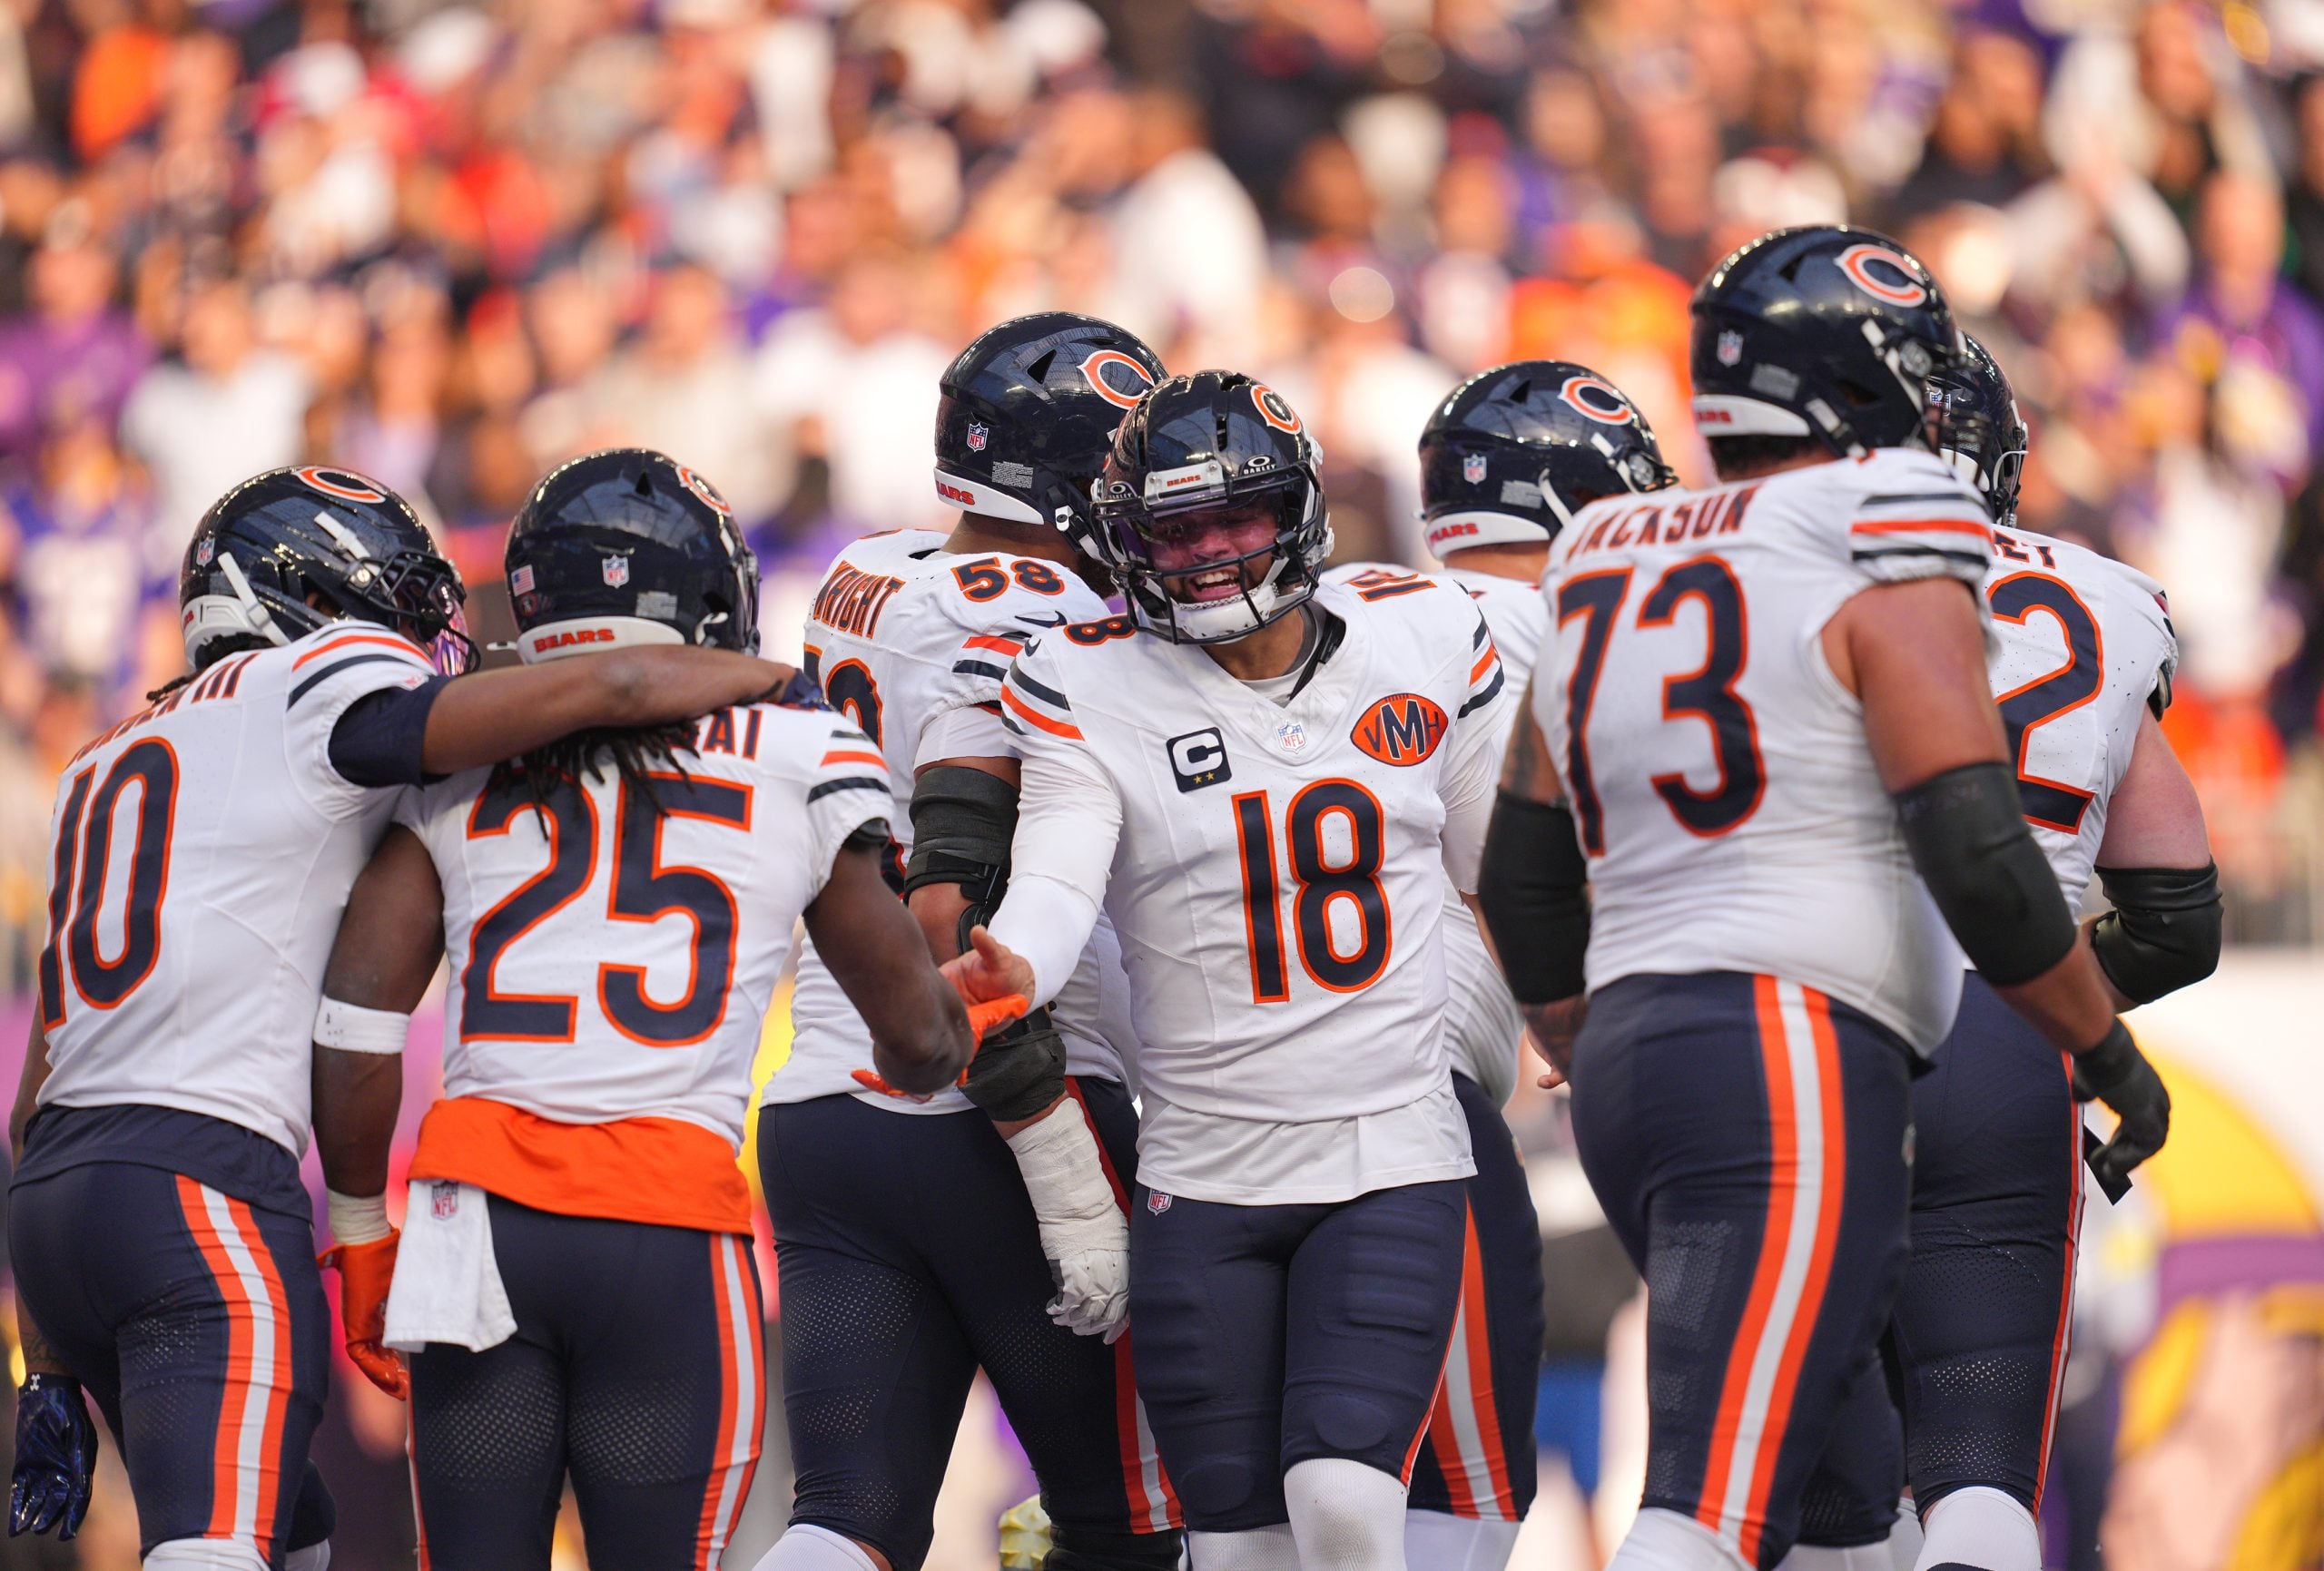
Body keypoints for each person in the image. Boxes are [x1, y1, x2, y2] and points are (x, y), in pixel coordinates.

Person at [1475, 226, 2171, 1571]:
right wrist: (2102, 1047)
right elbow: (1975, 844)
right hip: (1807, 1037)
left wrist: (1574, 1035)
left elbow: (1522, 870)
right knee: (1727, 1506)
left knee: (1838, 1513)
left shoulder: (1607, 543)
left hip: (1637, 1051)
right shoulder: (1890, 518)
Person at [7, 465, 795, 1567]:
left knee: (296, 1542)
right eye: (398, 608)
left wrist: (47, 1359)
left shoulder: (103, 757)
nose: (421, 641)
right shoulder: (307, 688)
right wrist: (772, 686)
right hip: (200, 1187)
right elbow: (599, 694)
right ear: (306, 604)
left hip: (56, 1206)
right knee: (217, 1550)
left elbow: (35, 1098)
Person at [298, 449, 1020, 1571]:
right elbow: (918, 1046)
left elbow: (355, 1024)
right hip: (666, 1220)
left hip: (474, 1221)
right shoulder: (799, 739)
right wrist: (964, 1014)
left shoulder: (460, 745)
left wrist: (357, 1232)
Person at [952, 369, 1510, 1571]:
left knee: (1345, 1500)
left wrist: (1563, 1007)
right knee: (1236, 1547)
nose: (1208, 553)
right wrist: (1016, 962)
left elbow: (1492, 871)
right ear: (1128, 540)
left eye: (1235, 517)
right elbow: (1056, 876)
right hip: (1202, 1169)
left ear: (1296, 508)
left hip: (1388, 1147)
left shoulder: (1419, 631)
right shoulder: (1088, 679)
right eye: (1176, 529)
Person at [753, 313, 1184, 1571]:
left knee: (849, 1518)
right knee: (1135, 1525)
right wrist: (1060, 1163)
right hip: (1002, 1101)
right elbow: (954, 919)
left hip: (827, 1103)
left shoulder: (868, 568)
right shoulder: (1043, 608)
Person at [1786, 339, 2219, 1571]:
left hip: (1801, 1031)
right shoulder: (2104, 598)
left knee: (1803, 1498)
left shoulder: (1759, 577)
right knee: (1977, 1481)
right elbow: (2179, 916)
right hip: (2002, 1043)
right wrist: (2051, 995)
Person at [1329, 359, 1679, 1571]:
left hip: (1210, 1122)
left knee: (1254, 1504)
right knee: (1467, 1489)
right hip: (1413, 1107)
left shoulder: (1335, 603)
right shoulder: (1565, 633)